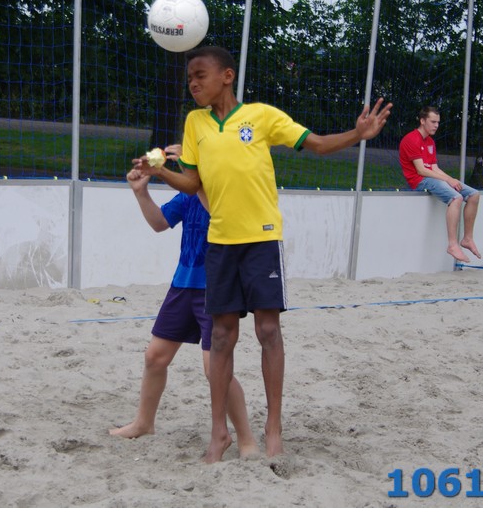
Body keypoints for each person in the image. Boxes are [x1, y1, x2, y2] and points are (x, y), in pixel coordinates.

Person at [132, 45, 391, 463]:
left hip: (262, 239)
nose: (193, 83)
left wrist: (357, 134)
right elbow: (193, 185)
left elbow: (316, 144)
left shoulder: (261, 116)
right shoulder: (195, 122)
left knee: (268, 331)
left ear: (227, 76)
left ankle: (273, 427)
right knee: (221, 337)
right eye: (189, 78)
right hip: (221, 242)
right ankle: (219, 433)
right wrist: (160, 170)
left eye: (200, 75)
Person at [110, 145, 259, 459]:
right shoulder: (187, 196)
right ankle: (144, 423)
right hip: (183, 284)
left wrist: (190, 169)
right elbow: (159, 222)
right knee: (155, 357)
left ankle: (246, 439)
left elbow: (218, 210)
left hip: (216, 289)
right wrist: (141, 192)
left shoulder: (224, 191)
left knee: (214, 368)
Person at [399, 106, 482, 263]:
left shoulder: (430, 141)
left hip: (430, 177)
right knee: (456, 198)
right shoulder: (412, 139)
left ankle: (467, 238)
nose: (436, 125)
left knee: (474, 195)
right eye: (433, 122)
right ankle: (452, 244)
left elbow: (434, 168)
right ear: (422, 121)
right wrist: (448, 180)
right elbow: (421, 170)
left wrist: (451, 179)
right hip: (419, 180)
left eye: (438, 122)